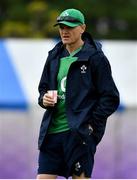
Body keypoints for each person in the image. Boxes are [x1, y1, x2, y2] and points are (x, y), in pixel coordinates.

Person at [37, 8, 120, 179]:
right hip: (51, 133)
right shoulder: (53, 56)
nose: (64, 31)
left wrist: (90, 125)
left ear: (82, 28)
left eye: (69, 27)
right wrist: (43, 99)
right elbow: (43, 88)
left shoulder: (96, 58)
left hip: (79, 135)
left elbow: (110, 97)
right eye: (61, 27)